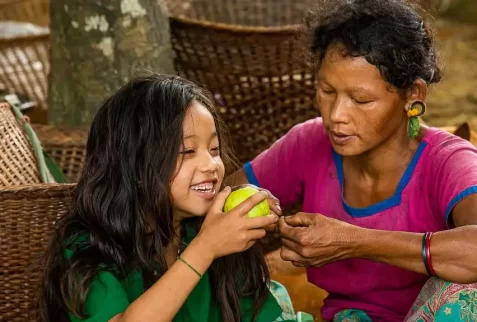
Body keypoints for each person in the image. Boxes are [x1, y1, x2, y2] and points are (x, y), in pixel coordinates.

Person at [225, 0, 477, 321]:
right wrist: (250, 213)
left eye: (361, 100)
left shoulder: (449, 161)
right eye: (327, 91)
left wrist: (353, 241)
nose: (336, 116)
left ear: (413, 95)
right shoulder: (308, 143)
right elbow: (217, 198)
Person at [35, 74, 293, 322]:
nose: (212, 165)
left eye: (214, 150)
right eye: (187, 151)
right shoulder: (90, 249)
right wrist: (205, 249)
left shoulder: (215, 234)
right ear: (135, 166)